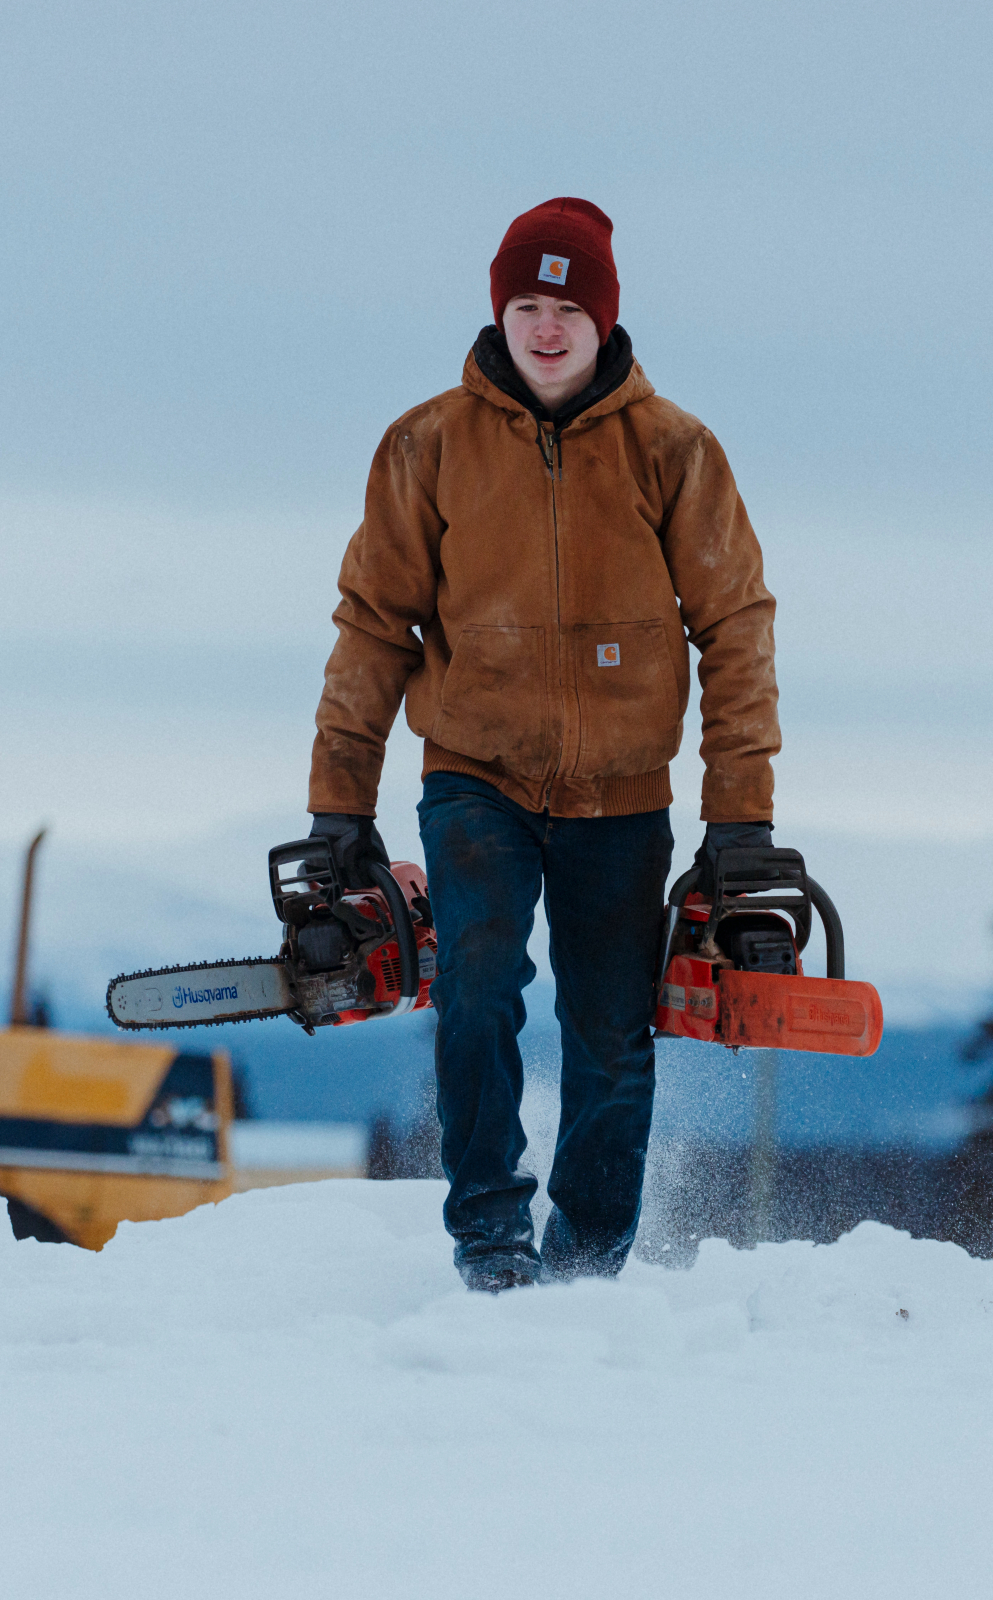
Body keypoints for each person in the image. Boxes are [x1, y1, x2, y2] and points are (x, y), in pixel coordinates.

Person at [307, 197, 779, 1291]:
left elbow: (735, 627)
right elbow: (372, 625)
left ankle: (588, 1263)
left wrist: (738, 814)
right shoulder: (425, 444)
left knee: (610, 1037)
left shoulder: (676, 452)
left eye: (565, 305)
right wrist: (340, 801)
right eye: (525, 303)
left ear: (601, 318)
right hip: (475, 774)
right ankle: (488, 1238)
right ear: (498, 312)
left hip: (622, 792)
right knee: (475, 995)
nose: (545, 326)